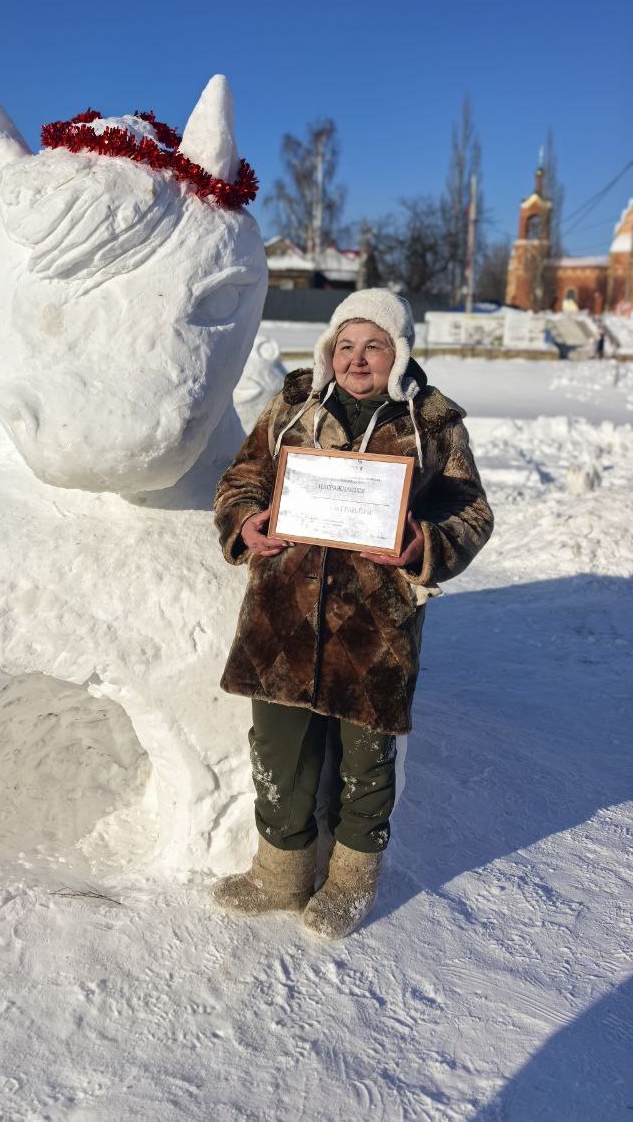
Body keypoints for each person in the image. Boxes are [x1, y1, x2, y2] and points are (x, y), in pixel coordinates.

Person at [211, 288, 494, 938]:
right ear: (328, 350)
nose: (357, 358)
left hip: (376, 628)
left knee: (367, 762)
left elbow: (471, 512)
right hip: (282, 616)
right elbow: (244, 476)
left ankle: (350, 880)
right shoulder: (293, 407)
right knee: (277, 751)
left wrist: (427, 543)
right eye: (346, 345)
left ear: (398, 353)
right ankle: (279, 874)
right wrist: (245, 519)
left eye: (374, 345)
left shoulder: (432, 422)